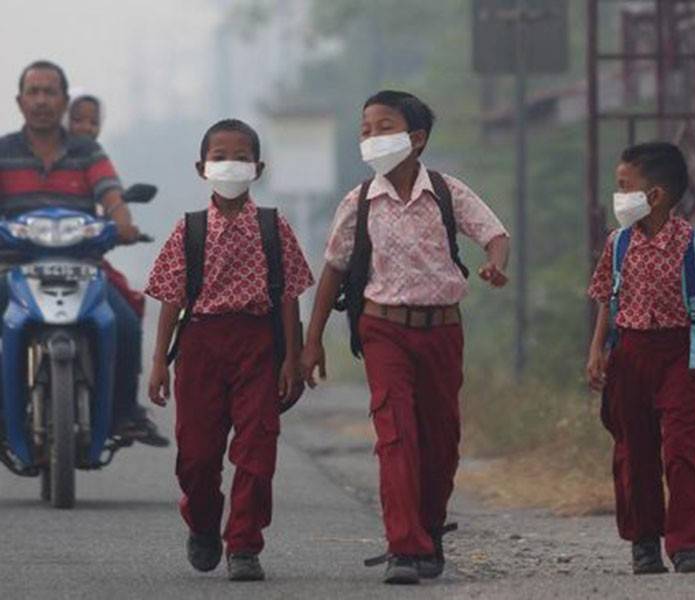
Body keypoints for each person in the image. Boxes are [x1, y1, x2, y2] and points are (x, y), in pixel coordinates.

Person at [300, 90, 510, 585]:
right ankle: (403, 546)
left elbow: (494, 234)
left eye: (384, 127)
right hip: (382, 329)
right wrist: (314, 342)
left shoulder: (446, 192)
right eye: (366, 129)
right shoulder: (358, 203)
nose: (372, 137)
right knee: (395, 435)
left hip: (441, 330)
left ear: (416, 139)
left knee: (441, 439)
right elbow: (332, 270)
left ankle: (429, 528)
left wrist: (496, 265)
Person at [146, 119, 313, 581]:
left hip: (258, 344)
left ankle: (244, 543)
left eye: (241, 157)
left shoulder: (273, 227)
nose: (230, 165)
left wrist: (292, 358)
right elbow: (172, 298)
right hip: (200, 345)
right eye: (220, 157)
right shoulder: (189, 230)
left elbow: (288, 295)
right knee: (197, 455)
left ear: (258, 167)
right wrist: (160, 360)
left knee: (257, 448)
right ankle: (202, 522)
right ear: (202, 167)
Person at [586, 142, 695, 575]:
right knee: (634, 453)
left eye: (624, 186)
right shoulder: (618, 243)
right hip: (629, 354)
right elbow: (606, 299)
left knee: (681, 451)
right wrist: (596, 350)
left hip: (680, 355)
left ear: (654, 195)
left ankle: (688, 544)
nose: (618, 196)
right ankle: (644, 542)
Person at [0, 60, 165, 445]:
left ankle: (124, 412)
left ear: (63, 101)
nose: (41, 100)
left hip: (83, 271)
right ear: (20, 101)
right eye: (33, 92)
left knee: (123, 322)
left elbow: (110, 192)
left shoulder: (88, 151)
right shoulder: (3, 152)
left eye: (49, 92)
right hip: (13, 272)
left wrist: (123, 221)